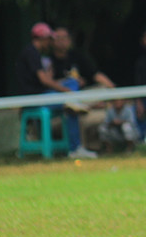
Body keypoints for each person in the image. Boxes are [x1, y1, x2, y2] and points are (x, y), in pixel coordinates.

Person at [14, 22, 96, 159]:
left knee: (72, 83)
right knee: (71, 103)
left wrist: (61, 83)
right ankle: (75, 147)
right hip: (36, 98)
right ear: (42, 38)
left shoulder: (34, 53)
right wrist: (65, 90)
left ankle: (74, 102)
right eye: (49, 39)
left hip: (42, 94)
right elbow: (44, 81)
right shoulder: (32, 53)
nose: (50, 43)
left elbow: (44, 80)